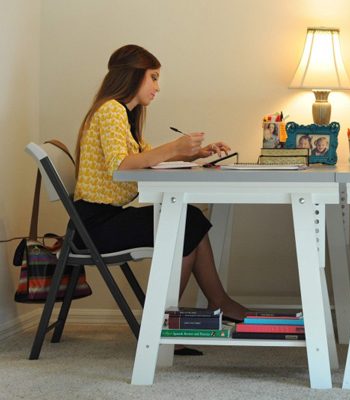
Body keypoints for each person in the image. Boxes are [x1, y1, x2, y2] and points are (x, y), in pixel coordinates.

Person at [73, 44, 249, 355]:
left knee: (189, 219)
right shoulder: (112, 110)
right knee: (186, 220)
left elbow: (144, 159)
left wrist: (193, 152)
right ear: (133, 76)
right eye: (153, 78)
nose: (157, 87)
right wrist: (173, 148)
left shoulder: (124, 115)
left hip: (100, 219)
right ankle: (163, 324)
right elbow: (121, 165)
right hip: (93, 226)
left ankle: (210, 303)